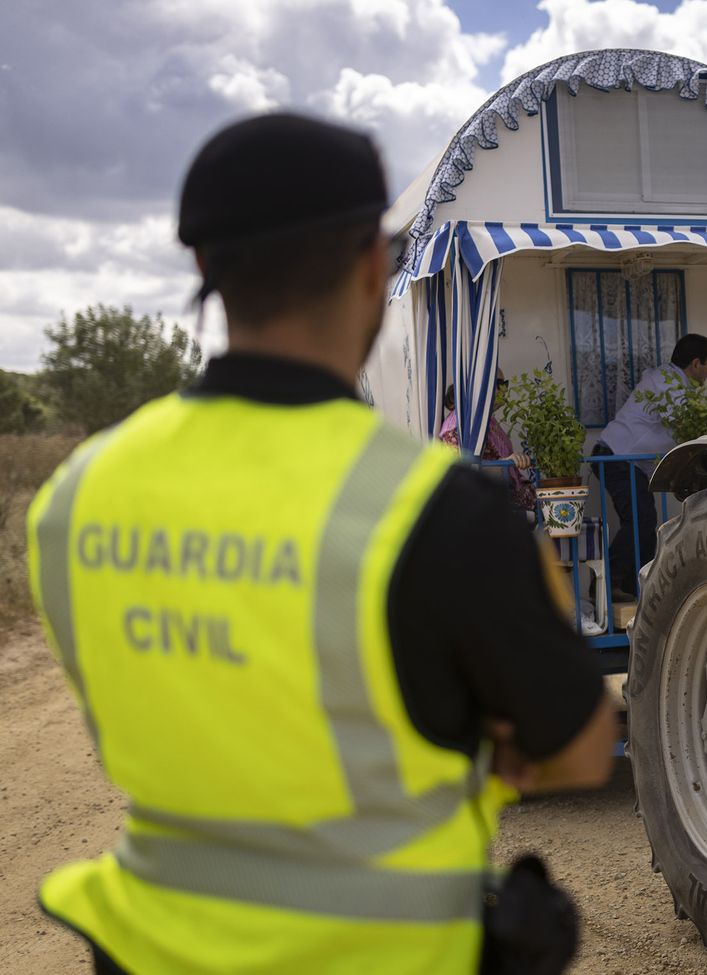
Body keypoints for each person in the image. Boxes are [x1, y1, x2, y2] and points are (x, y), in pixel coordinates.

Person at [26, 112, 615, 975]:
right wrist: (477, 735)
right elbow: (581, 746)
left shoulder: (75, 496)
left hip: (145, 949)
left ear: (205, 267)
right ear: (374, 265)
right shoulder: (440, 508)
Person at [592, 333, 707, 599]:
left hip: (626, 460)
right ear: (696, 363)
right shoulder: (669, 383)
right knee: (641, 521)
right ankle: (608, 584)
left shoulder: (671, 381)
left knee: (645, 522)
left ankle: (634, 588)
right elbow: (685, 425)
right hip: (616, 458)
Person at [439, 372, 536, 511]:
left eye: (505, 384)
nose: (505, 389)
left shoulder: (485, 419)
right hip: (488, 506)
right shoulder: (458, 425)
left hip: (508, 498)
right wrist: (504, 464)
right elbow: (461, 473)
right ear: (482, 385)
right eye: (500, 384)